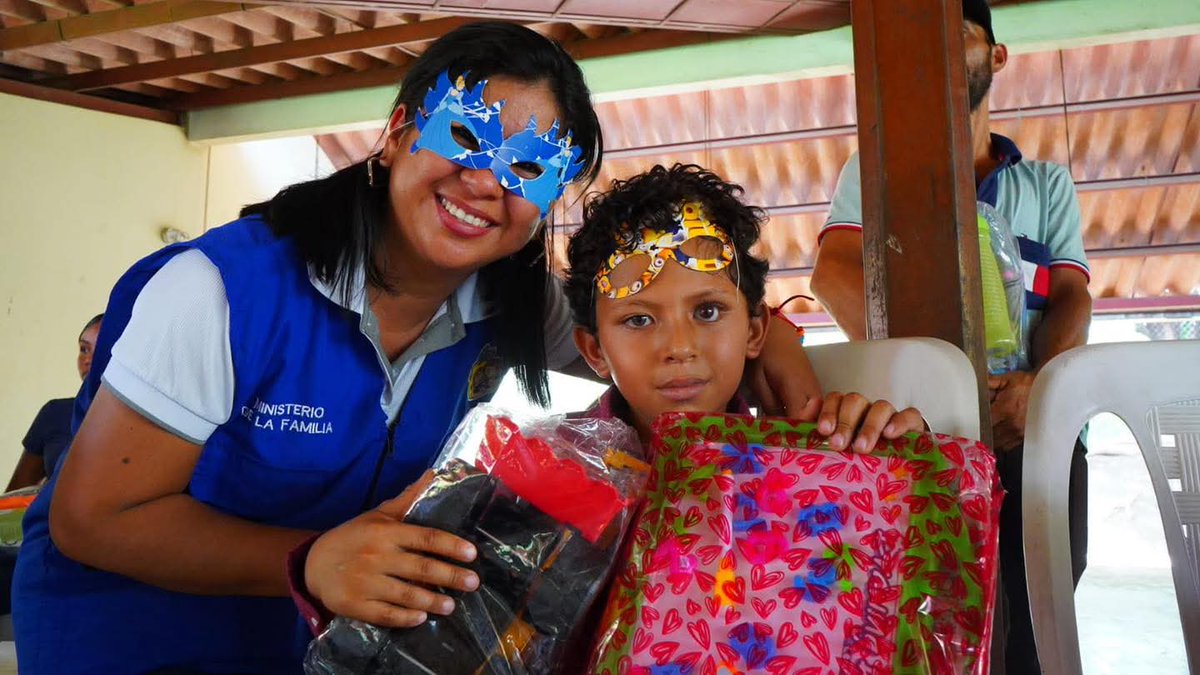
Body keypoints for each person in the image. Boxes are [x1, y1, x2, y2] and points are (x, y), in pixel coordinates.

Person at [15, 23, 825, 674]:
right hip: (127, 634)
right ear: (398, 133)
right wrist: (310, 563)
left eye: (531, 169)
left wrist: (786, 356)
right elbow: (96, 518)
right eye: (466, 134)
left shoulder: (511, 298)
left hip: (327, 640)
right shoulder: (221, 290)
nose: (487, 181)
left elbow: (654, 313)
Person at [808, 1, 1093, 670]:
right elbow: (833, 273)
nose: (941, 54)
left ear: (995, 57)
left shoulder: (1045, 184)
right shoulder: (871, 169)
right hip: (929, 435)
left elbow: (1073, 296)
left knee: (1039, 629)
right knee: (937, 626)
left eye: (959, 37)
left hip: (1038, 433)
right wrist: (937, 388)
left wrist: (1042, 392)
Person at [565, 163, 926, 454]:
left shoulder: (808, 462)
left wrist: (894, 456)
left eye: (707, 312)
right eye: (639, 319)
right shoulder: (542, 475)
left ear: (754, 332)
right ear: (595, 350)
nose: (679, 347)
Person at [6, 314, 102, 491]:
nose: (88, 360)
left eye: (101, 351)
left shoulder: (143, 417)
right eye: (84, 349)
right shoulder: (54, 414)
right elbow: (16, 494)